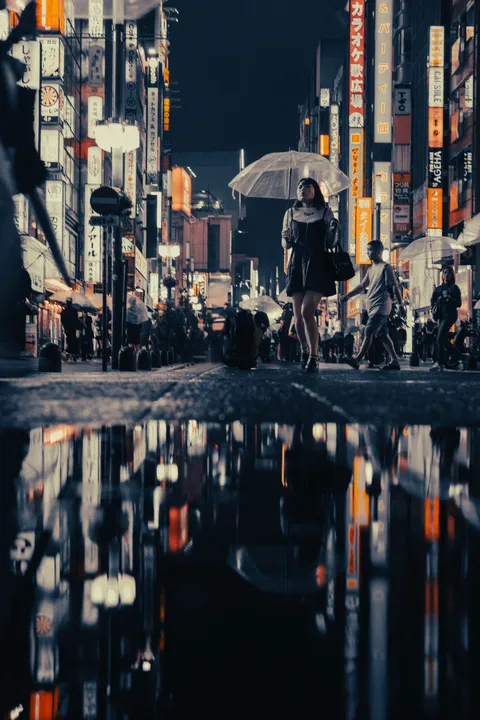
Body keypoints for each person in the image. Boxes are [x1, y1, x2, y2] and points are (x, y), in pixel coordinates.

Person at [281, 178, 339, 372]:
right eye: (300, 186)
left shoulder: (325, 212)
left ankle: (314, 355)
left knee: (307, 311)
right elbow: (286, 245)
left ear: (315, 191)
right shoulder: (290, 213)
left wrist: (333, 230)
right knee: (297, 316)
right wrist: (286, 237)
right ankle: (305, 349)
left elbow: (331, 243)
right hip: (297, 263)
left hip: (317, 264)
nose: (303, 189)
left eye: (308, 186)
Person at [340, 240, 403, 371]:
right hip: (373, 306)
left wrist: (401, 303)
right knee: (383, 335)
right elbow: (362, 286)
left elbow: (394, 286)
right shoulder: (370, 269)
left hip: (381, 306)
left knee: (369, 331)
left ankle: (357, 360)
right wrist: (348, 295)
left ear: (379, 252)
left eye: (370, 250)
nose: (368, 253)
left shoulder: (386, 268)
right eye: (367, 250)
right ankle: (395, 361)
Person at [430, 266, 462, 371]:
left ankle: (440, 363)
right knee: (441, 338)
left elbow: (459, 303)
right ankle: (455, 356)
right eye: (445, 272)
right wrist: (435, 296)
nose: (446, 274)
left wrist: (449, 298)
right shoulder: (439, 289)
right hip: (441, 316)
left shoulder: (454, 288)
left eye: (449, 273)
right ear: (442, 274)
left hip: (450, 316)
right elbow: (433, 301)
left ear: (452, 275)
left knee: (440, 337)